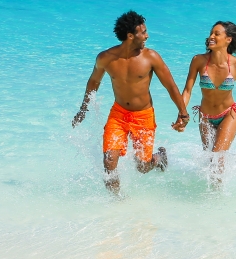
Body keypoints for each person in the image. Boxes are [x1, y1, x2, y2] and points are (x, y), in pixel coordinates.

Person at [72, 10, 190, 194]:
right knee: (109, 162)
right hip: (118, 115)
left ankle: (159, 157)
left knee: (142, 167)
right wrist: (83, 109)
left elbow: (171, 86)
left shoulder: (151, 57)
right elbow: (94, 81)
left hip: (143, 115)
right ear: (130, 36)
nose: (147, 35)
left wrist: (183, 113)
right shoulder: (106, 58)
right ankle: (118, 204)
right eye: (143, 32)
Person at [182, 21, 236, 181]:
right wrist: (181, 112)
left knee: (217, 157)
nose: (211, 36)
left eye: (217, 34)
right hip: (205, 116)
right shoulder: (199, 60)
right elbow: (187, 90)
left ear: (228, 39)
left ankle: (217, 195)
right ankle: (211, 191)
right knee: (210, 158)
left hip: (228, 114)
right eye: (211, 33)